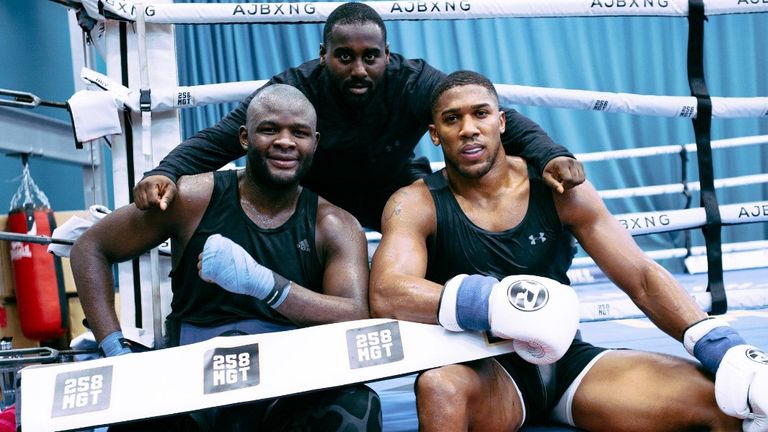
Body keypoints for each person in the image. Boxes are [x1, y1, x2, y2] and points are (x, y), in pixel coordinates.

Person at [368, 70, 767, 431]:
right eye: (453, 119)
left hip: (567, 363)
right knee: (440, 389)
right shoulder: (417, 204)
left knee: (726, 401)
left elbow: (641, 277)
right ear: (435, 134)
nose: (469, 129)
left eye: (481, 114)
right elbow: (387, 292)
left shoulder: (558, 189)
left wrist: (718, 344)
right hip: (485, 369)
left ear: (501, 122)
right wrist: (494, 303)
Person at [71, 84, 382, 431]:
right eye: (269, 129)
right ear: (245, 138)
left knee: (356, 407)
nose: (285, 141)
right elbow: (90, 248)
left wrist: (267, 286)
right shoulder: (194, 198)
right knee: (131, 423)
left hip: (284, 389)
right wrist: (115, 350)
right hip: (190, 392)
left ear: (315, 143)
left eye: (299, 132)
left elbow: (355, 313)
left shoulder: (334, 225)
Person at [132, 2, 585, 232]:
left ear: (387, 54)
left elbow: (485, 111)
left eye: (371, 57)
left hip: (394, 185)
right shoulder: (293, 89)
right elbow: (227, 136)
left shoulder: (414, 81)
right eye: (344, 57)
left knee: (433, 220)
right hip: (312, 196)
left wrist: (552, 155)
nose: (359, 69)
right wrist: (167, 172)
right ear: (323, 54)